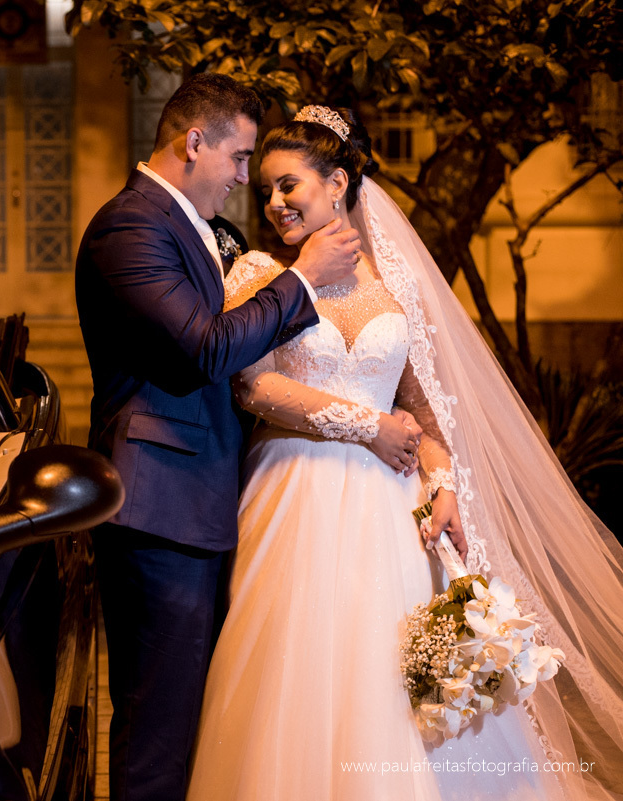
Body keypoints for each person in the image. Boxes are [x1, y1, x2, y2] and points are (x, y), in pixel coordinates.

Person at [186, 106, 623, 801]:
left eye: (288, 185)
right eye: (264, 188)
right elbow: (254, 384)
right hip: (296, 493)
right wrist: (369, 426)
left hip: (392, 510)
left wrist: (445, 485)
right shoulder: (263, 272)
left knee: (391, 668)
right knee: (300, 662)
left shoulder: (396, 284)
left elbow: (427, 412)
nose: (271, 202)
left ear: (337, 183)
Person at [75, 75, 372, 801]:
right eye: (239, 158)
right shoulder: (130, 226)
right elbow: (204, 348)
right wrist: (300, 283)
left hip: (209, 502)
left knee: (196, 723)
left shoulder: (195, 231)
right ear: (193, 141)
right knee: (157, 730)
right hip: (159, 509)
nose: (246, 179)